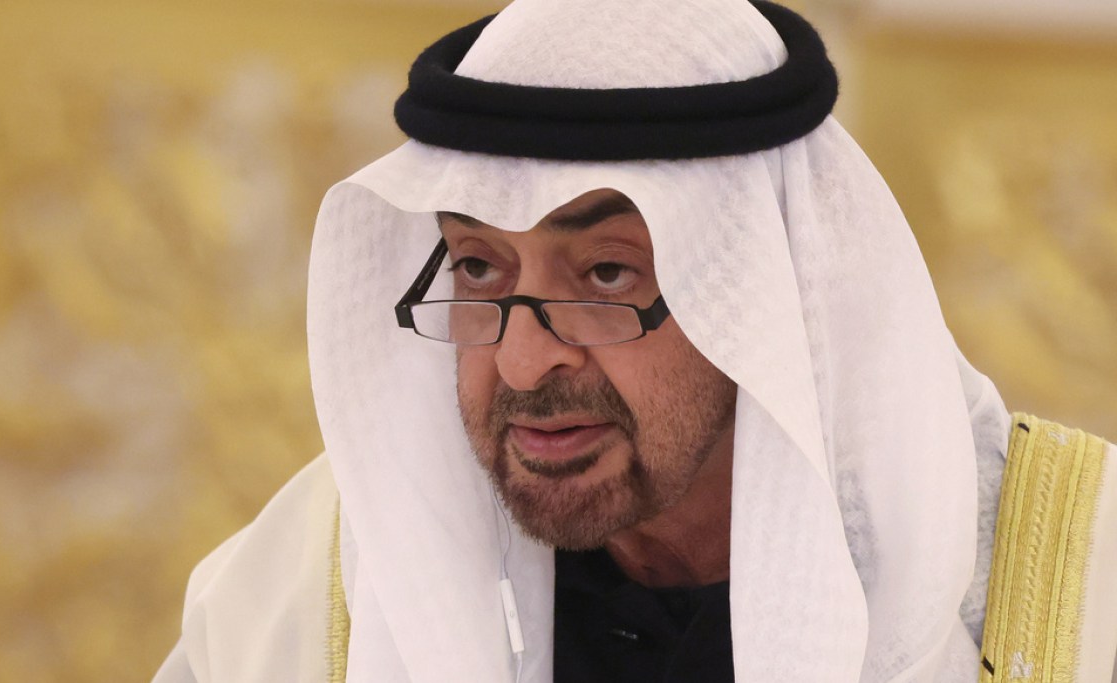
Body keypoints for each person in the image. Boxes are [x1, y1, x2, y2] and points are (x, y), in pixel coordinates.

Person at [153, 0, 1117, 681]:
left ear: (759, 292)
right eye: (479, 268)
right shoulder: (300, 598)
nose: (524, 360)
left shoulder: (1081, 596)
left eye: (607, 275)